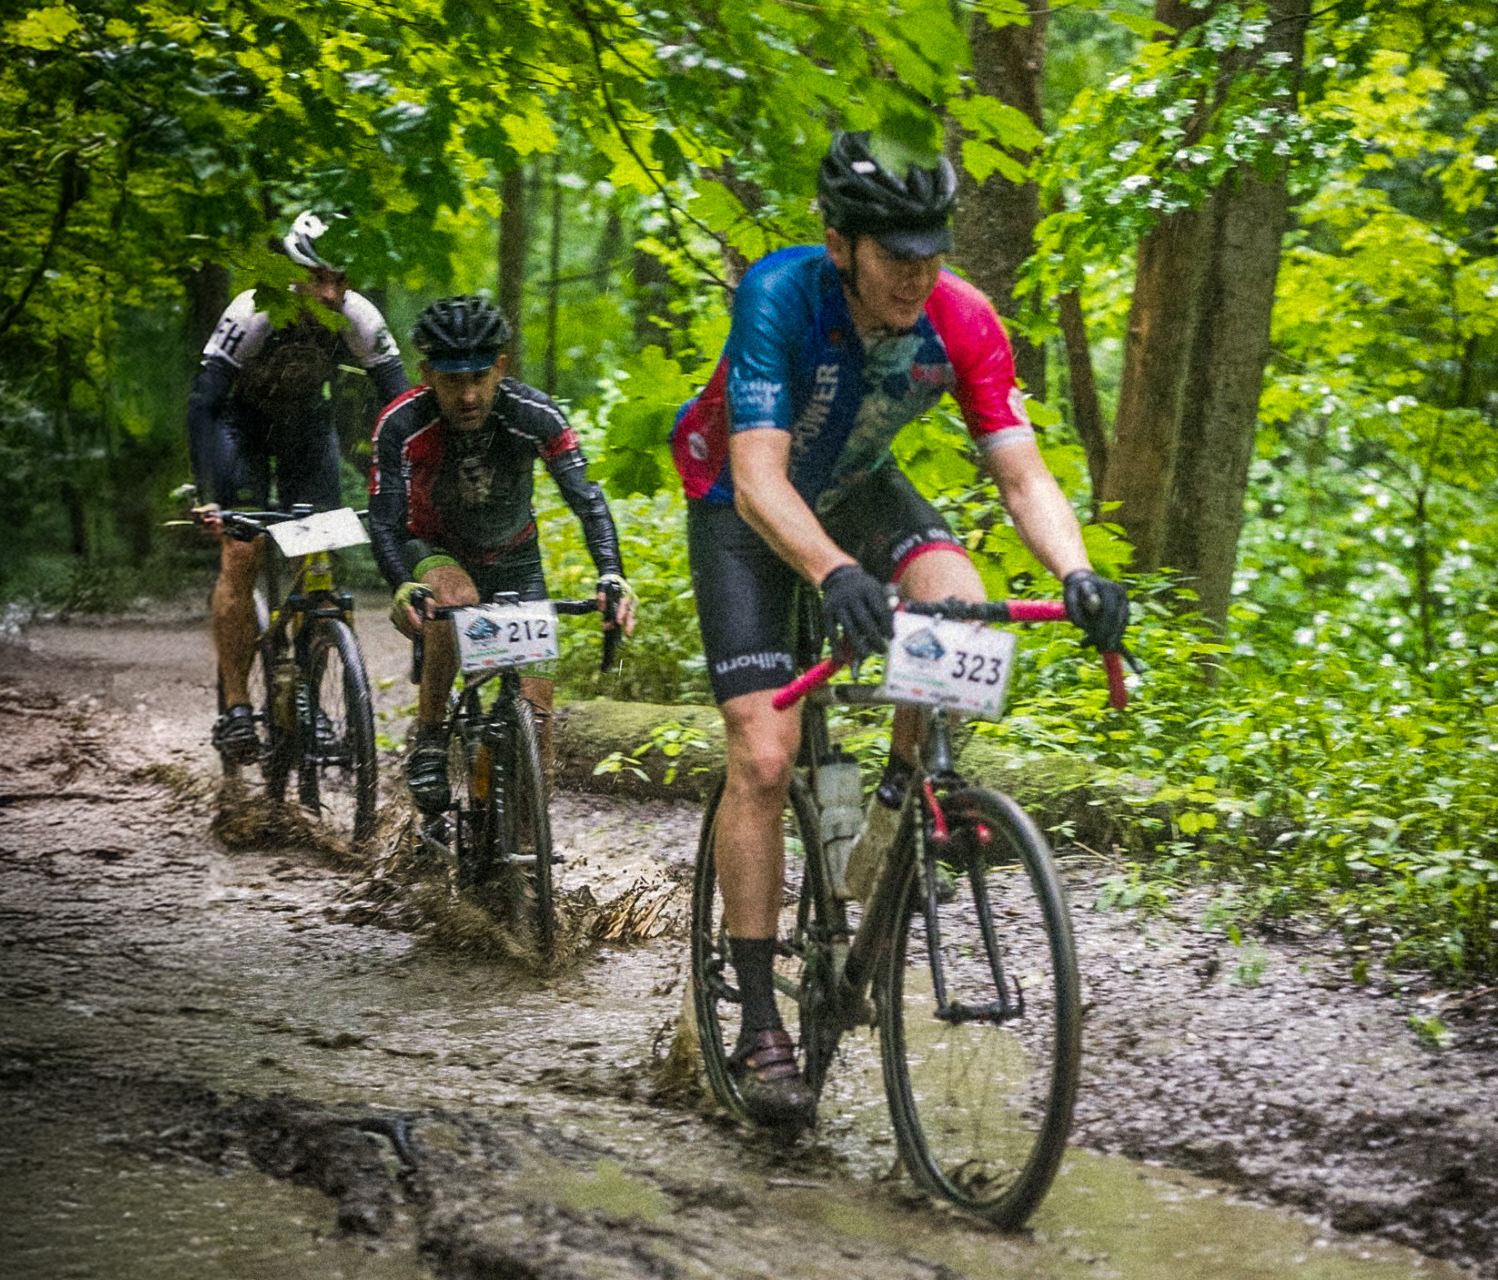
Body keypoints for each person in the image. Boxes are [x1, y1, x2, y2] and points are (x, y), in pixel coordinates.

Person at [672, 130, 1131, 1126]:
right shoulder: (780, 296)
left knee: (957, 603)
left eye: (933, 252)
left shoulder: (961, 318)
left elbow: (1023, 475)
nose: (919, 276)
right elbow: (758, 478)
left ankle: (896, 807)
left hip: (858, 487)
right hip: (740, 505)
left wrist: (1079, 573)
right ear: (841, 244)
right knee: (763, 755)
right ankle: (759, 1019)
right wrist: (832, 572)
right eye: (896, 256)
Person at [368, 295, 635, 812]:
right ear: (427, 374)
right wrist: (403, 584)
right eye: (452, 381)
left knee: (537, 720)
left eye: (479, 377)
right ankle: (430, 736)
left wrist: (611, 574)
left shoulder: (533, 414)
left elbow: (587, 500)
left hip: (515, 557)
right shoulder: (401, 423)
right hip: (434, 547)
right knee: (455, 596)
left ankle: (528, 841)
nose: (468, 395)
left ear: (501, 368)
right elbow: (384, 519)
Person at [188, 211, 410, 764]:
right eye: (318, 278)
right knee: (242, 551)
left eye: (341, 279)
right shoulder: (252, 311)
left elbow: (401, 407)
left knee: (318, 560)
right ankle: (237, 707)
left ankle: (309, 702)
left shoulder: (359, 317)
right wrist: (209, 491)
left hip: (305, 427)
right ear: (292, 274)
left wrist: (409, 481)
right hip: (240, 427)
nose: (331, 293)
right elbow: (205, 402)